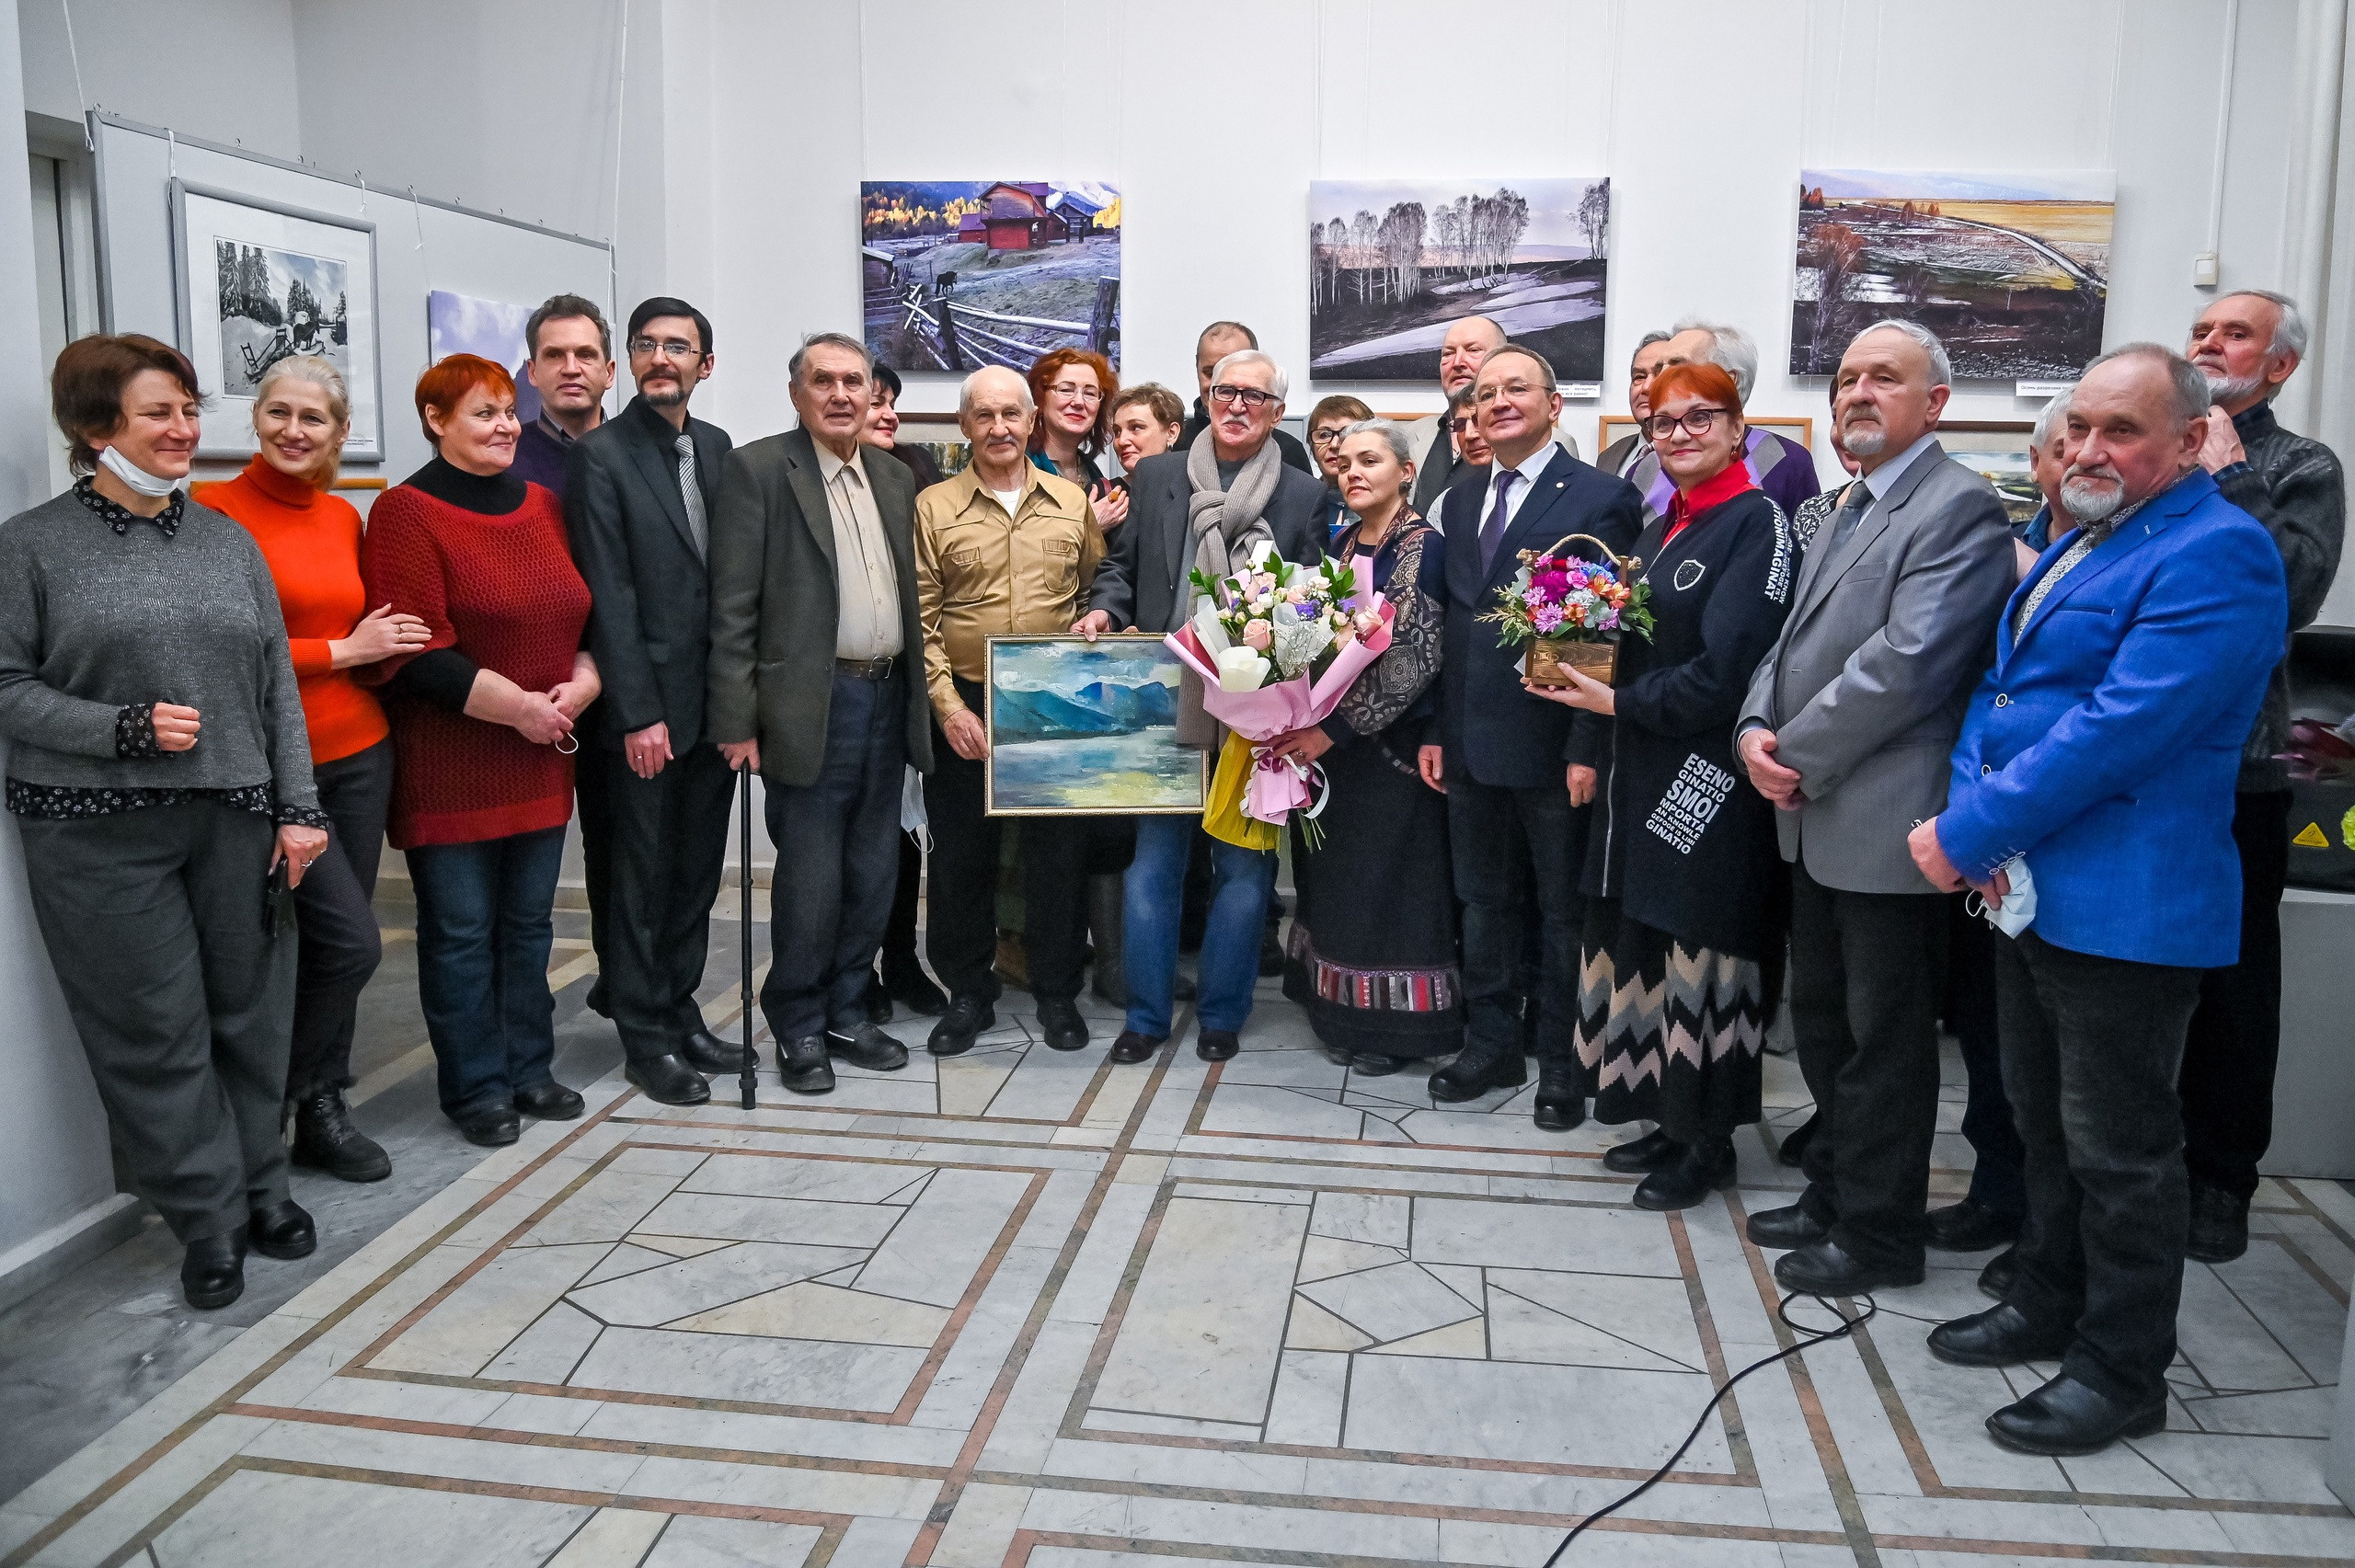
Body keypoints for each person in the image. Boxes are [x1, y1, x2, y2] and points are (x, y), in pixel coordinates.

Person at [1913, 343, 2288, 1458]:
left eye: (2120, 431)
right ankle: (2045, 1299)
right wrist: (1979, 821)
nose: (2087, 449)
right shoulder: (2082, 538)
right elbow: (2002, 688)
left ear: (2188, 441)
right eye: (2077, 425)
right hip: (2029, 887)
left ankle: (2121, 1369)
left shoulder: (2221, 552)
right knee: (2043, 1123)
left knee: (2123, 1152)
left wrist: (1971, 829)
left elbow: (2120, 728)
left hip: (2129, 902)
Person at [0, 334, 329, 1310]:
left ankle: (264, 1189)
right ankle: (206, 1218)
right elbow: (5, 686)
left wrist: (299, 807)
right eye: (159, 413)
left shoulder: (227, 540)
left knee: (251, 1018)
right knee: (154, 1032)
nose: (186, 428)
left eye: (189, 409)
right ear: (95, 428)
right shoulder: (30, 547)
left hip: (233, 815)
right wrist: (121, 730)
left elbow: (276, 686)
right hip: (94, 830)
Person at [1735, 320, 2016, 1297]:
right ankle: (1836, 1192)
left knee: (1884, 1044)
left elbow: (1906, 665)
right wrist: (1751, 731)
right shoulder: (1847, 500)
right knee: (1823, 1026)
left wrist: (1794, 755)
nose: (1855, 392)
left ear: (1933, 402)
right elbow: (1787, 643)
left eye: (1881, 378)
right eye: (1846, 377)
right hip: (1812, 812)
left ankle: (1881, 1236)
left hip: (1884, 814)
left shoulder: (1959, 509)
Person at [1519, 362, 1796, 1206]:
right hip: (1635, 765)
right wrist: (1574, 677)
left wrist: (1615, 698)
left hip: (1708, 779)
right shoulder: (1660, 528)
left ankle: (1707, 1140)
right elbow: (1621, 639)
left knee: (1701, 950)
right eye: (1663, 423)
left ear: (1738, 426)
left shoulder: (1758, 523)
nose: (1678, 434)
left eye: (1699, 418)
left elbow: (1728, 673)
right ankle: (1662, 1118)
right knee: (1642, 943)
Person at [194, 355, 423, 1185]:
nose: (294, 430)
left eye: (313, 418)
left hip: (359, 756)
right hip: (264, 769)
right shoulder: (213, 514)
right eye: (279, 413)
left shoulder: (342, 517)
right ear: (256, 418)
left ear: (340, 430)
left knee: (336, 943)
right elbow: (220, 653)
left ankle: (319, 1103)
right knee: (343, 946)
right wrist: (343, 650)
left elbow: (370, 629)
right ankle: (276, 1103)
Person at [362, 355, 597, 1147]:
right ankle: (475, 1086)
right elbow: (416, 651)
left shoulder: (541, 504)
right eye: (482, 414)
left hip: (540, 752)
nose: (503, 427)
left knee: (530, 927)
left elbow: (580, 614)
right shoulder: (404, 512)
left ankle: (531, 1067)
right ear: (435, 420)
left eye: (507, 411)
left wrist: (582, 687)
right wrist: (524, 709)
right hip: (452, 762)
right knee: (461, 934)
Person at [1078, 347, 1327, 1062]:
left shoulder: (1305, 495)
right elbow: (1122, 569)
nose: (1238, 404)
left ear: (1278, 413)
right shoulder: (1157, 474)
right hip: (1168, 693)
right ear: (1206, 399)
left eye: (1254, 395)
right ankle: (1146, 1017)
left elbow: (1313, 605)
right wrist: (1103, 610)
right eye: (1226, 391)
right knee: (1152, 866)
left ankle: (1222, 1013)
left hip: (1255, 709)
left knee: (1243, 871)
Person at [1419, 346, 1645, 1121]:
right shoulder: (1461, 492)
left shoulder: (1599, 496)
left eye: (1517, 387)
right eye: (1485, 394)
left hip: (1554, 750)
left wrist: (1586, 745)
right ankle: (1489, 1043)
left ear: (1554, 405)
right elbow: (1456, 623)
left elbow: (1600, 628)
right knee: (1482, 902)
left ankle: (1560, 1060)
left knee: (1559, 913)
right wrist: (1440, 731)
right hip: (1470, 742)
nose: (1499, 402)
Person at [708, 332, 929, 1093]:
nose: (841, 394)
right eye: (824, 381)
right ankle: (797, 1022)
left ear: (874, 394)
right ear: (797, 393)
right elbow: (733, 606)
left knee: (874, 867)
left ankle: (846, 1007)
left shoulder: (894, 479)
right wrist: (735, 719)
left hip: (887, 693)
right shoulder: (760, 469)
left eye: (854, 382)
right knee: (811, 874)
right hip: (811, 703)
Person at [2176, 290, 2347, 1263]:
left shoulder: (2297, 465)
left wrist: (2232, 478)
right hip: (2139, 766)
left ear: (2277, 366)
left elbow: (2291, 589)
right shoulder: (2154, 450)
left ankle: (2220, 1180)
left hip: (2240, 771)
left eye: (2232, 334)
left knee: (2234, 987)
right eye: (2200, 331)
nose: (2209, 344)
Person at [564, 297, 741, 1109]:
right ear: (628, 362)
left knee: (696, 873)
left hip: (713, 709)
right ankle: (644, 1037)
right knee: (637, 877)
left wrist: (740, 707)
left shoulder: (716, 446)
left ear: (706, 365)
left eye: (679, 346)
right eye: (646, 345)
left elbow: (731, 586)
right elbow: (610, 593)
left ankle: (681, 1009)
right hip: (646, 714)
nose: (661, 357)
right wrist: (637, 713)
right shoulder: (600, 456)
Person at [917, 367, 1105, 1057]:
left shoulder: (1070, 501)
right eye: (984, 415)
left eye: (1010, 414)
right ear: (965, 426)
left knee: (1057, 854)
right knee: (961, 856)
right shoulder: (932, 508)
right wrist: (946, 708)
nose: (999, 427)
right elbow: (921, 620)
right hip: (965, 700)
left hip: (1050, 696)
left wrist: (1097, 627)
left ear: (1032, 422)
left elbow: (1093, 588)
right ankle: (968, 991)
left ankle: (1058, 990)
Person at [1269, 421, 1456, 1071]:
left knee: (1392, 885)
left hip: (1394, 748)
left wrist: (1330, 730)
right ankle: (1339, 1011)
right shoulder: (1342, 542)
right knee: (1340, 881)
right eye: (1343, 462)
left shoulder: (1423, 546)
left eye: (1369, 460)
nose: (1352, 471)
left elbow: (1414, 655)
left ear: (1406, 472)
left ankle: (1392, 1029)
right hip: (1332, 748)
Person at [862, 362, 948, 1023]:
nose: (886, 412)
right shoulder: (798, 477)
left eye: (891, 401)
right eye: (875, 401)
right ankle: (851, 966)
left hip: (910, 687)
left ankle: (901, 957)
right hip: (842, 689)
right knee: (846, 839)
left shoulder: (917, 475)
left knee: (904, 835)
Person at [1637, 319, 1819, 518]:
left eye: (1678, 366)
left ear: (1729, 380)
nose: (1653, 383)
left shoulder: (1785, 461)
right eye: (1658, 369)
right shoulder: (1644, 469)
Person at [511, 294, 616, 498]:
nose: (571, 369)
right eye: (554, 355)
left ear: (609, 373)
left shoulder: (644, 456)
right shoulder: (505, 459)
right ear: (532, 373)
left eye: (585, 354)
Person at [1176, 321, 1315, 474]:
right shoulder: (1176, 441)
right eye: (1210, 373)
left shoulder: (1288, 451)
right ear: (1197, 367)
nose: (1235, 405)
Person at [1410, 315, 1507, 513]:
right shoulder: (1410, 435)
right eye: (1448, 353)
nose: (1457, 362)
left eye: (1473, 350)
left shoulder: (1541, 442)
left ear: (1503, 359)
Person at [1594, 330, 1674, 479]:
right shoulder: (1609, 457)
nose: (1646, 387)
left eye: (1660, 375)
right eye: (1639, 377)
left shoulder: (1695, 455)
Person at [1305, 394, 1374, 537]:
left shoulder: (1381, 504)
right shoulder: (1303, 504)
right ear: (1311, 445)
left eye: (1345, 434)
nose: (1334, 444)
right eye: (1324, 435)